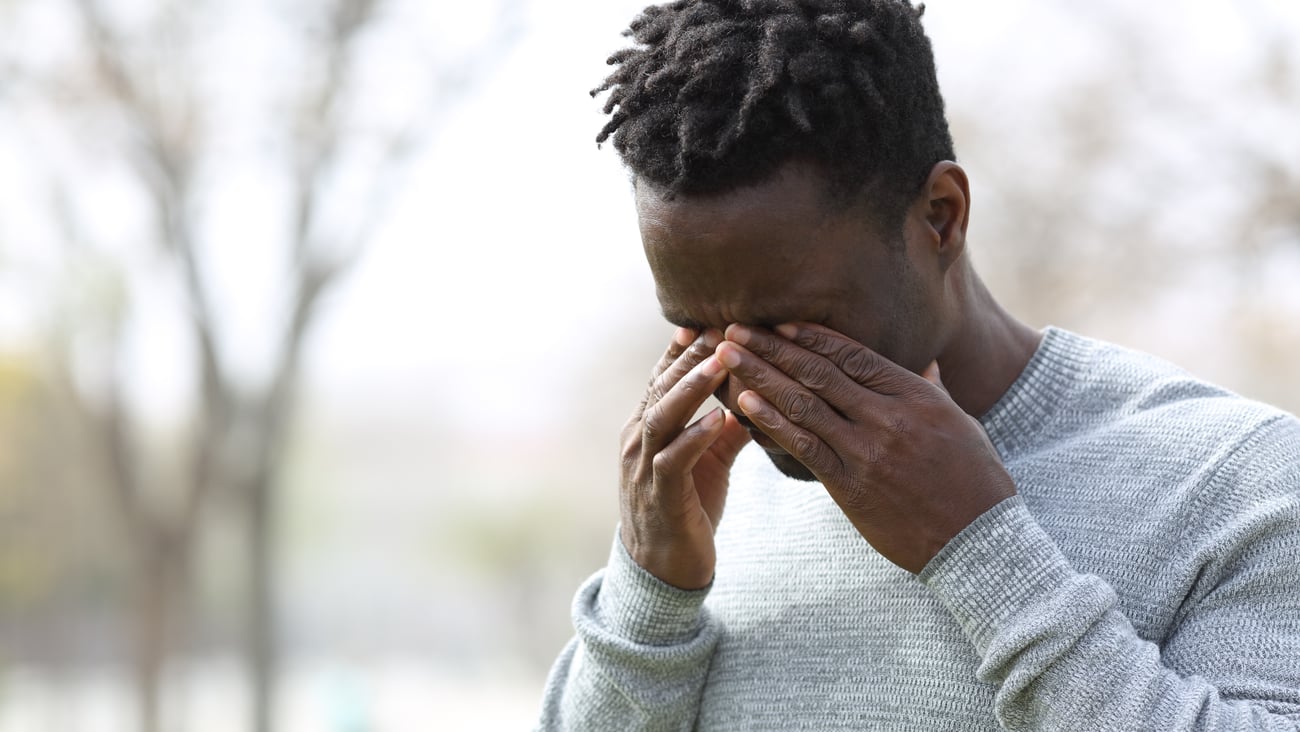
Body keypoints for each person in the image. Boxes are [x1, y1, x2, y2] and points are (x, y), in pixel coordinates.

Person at [536, 1, 1300, 730]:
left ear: (941, 216)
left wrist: (979, 546)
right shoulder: (702, 500)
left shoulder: (1241, 481)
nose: (738, 375)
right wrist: (651, 591)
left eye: (791, 324)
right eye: (696, 328)